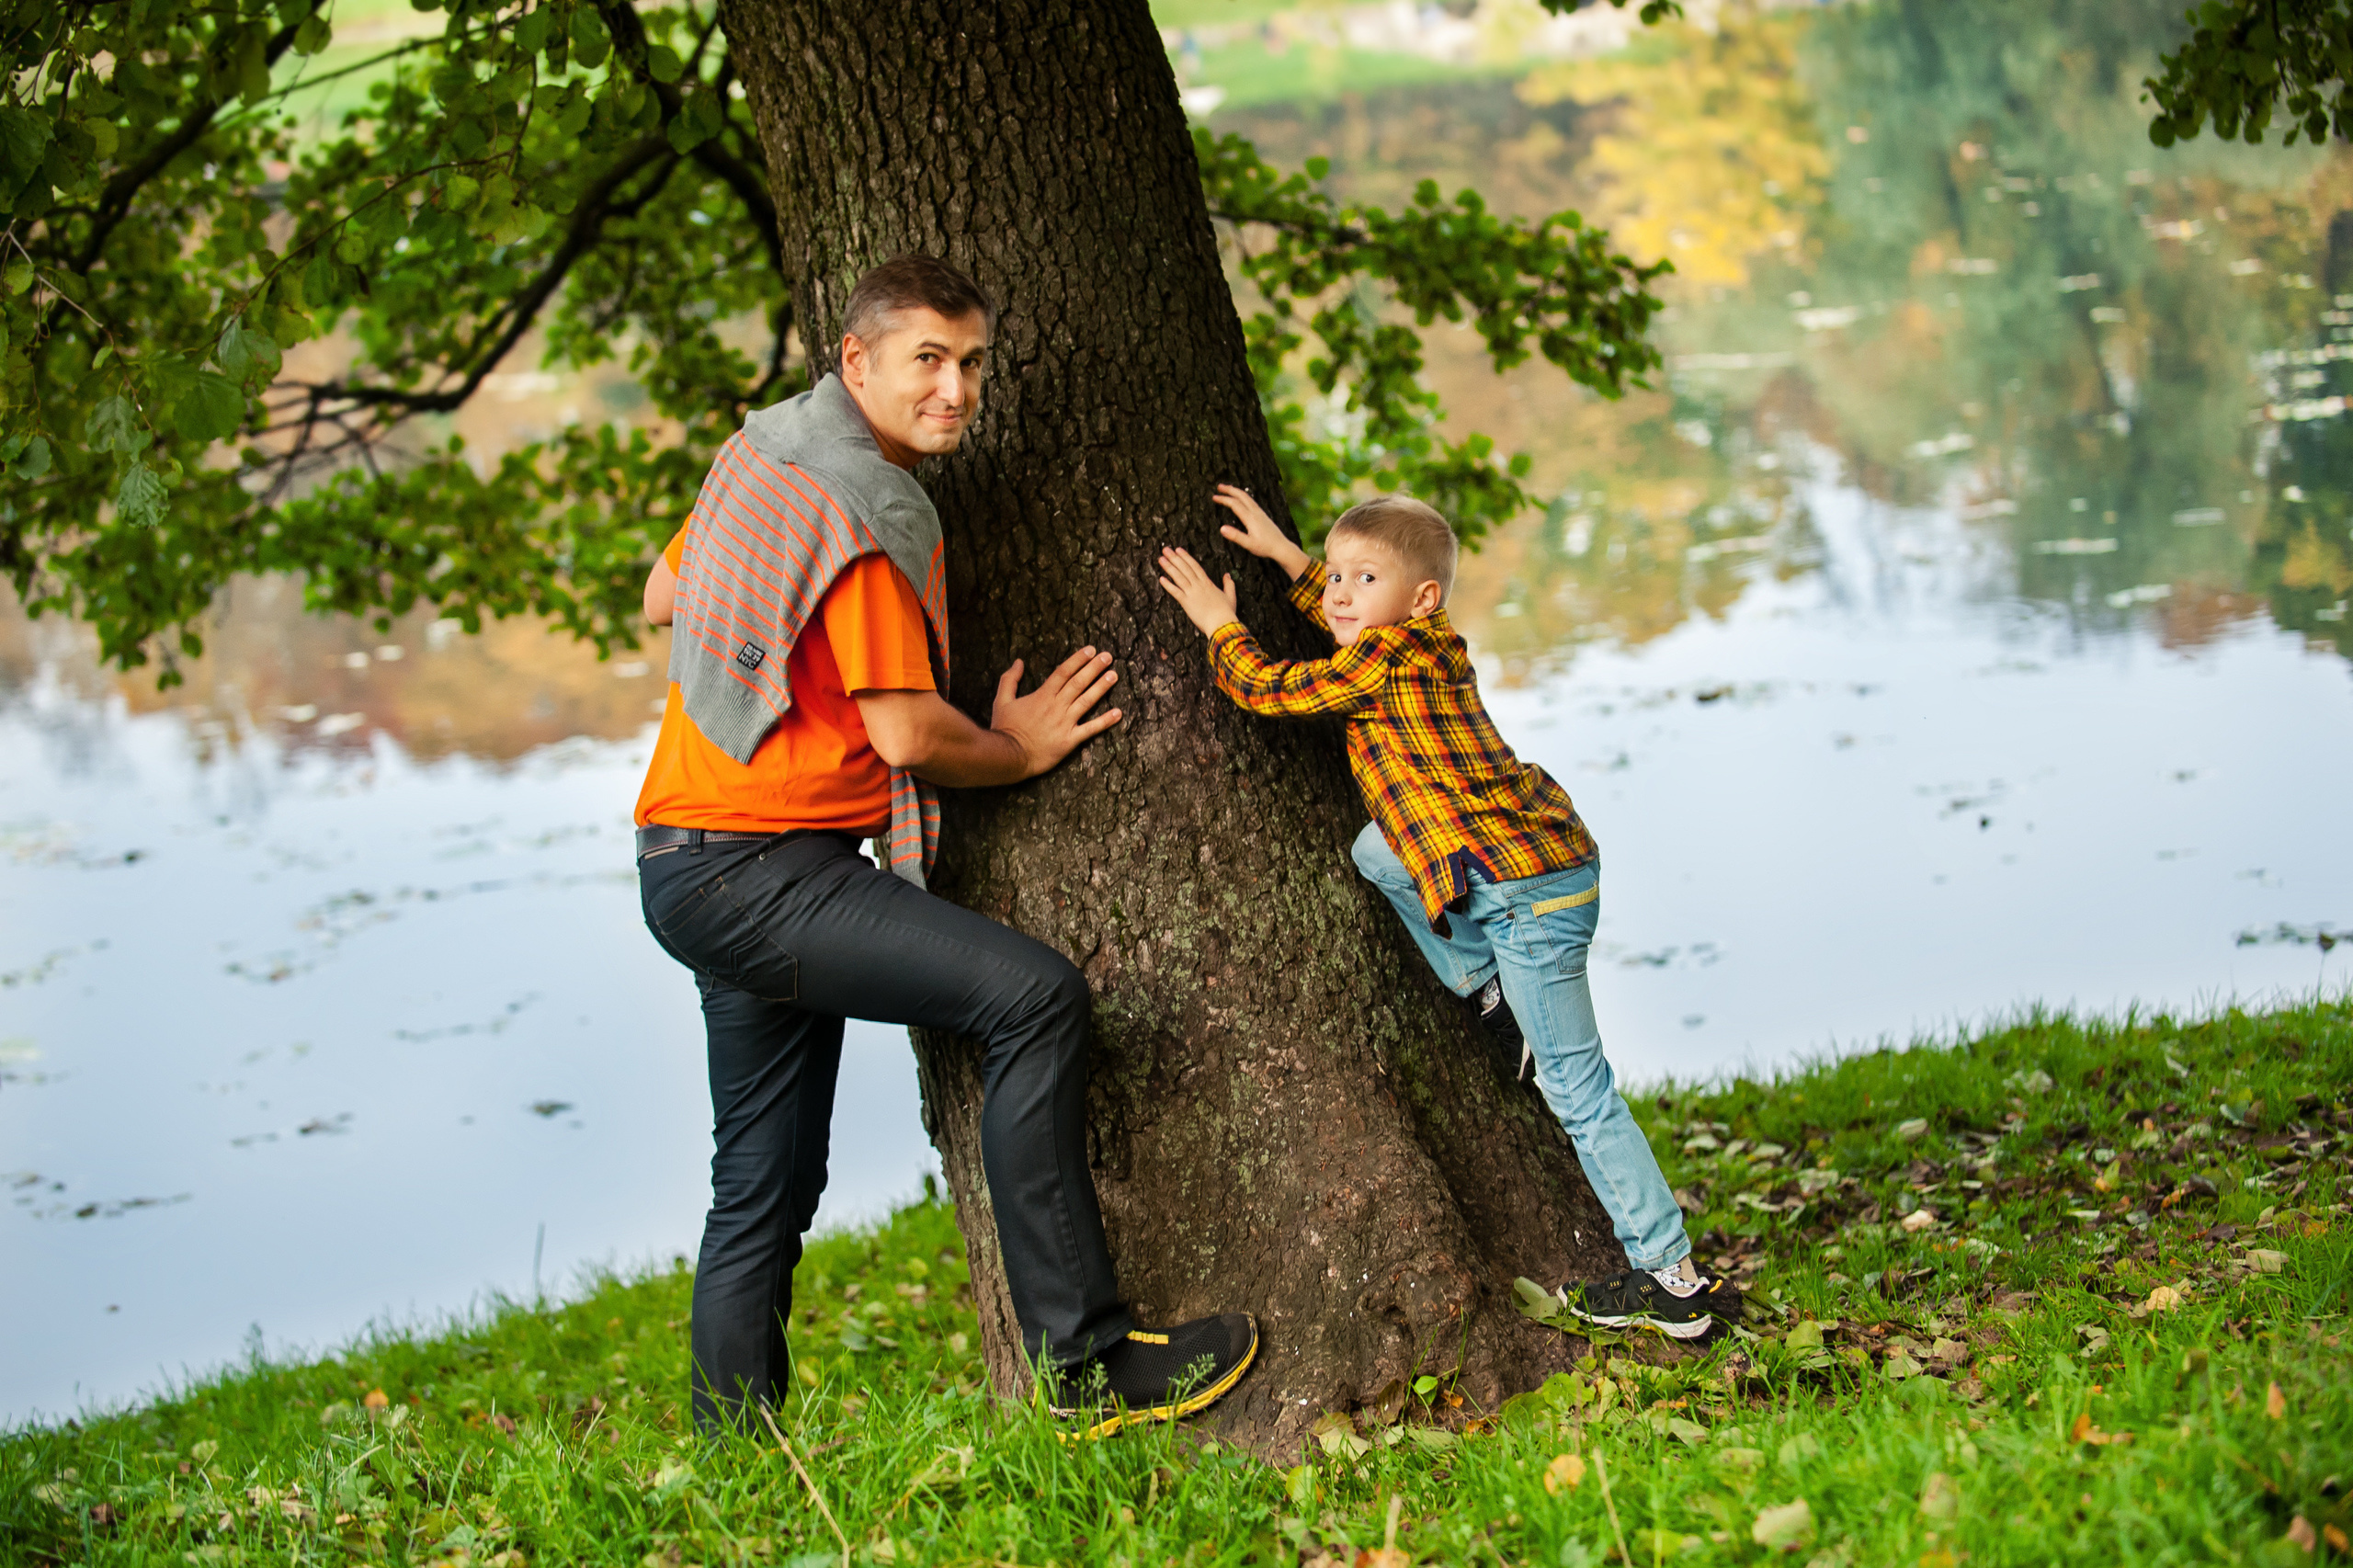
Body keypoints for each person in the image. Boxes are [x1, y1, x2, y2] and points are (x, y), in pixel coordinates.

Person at [638, 255, 1256, 1437]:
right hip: (759, 871)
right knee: (1033, 999)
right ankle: (1082, 1362)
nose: (957, 389)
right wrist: (1016, 751)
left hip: (690, 861)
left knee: (764, 1184)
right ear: (856, 361)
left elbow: (663, 596)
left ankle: (735, 1451)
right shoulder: (861, 512)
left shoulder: (764, 460)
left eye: (972, 361)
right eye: (928, 359)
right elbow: (910, 734)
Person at [1154, 486, 1742, 1341]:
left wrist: (1219, 623)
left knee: (1579, 1091)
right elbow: (1350, 620)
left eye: (1363, 578)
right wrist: (1290, 559)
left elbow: (1275, 691)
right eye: (1337, 576)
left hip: (1526, 898)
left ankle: (1673, 1281)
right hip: (1532, 865)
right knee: (1375, 852)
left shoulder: (1383, 660)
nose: (1341, 594)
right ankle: (1491, 995)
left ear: (1421, 599)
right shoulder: (1420, 645)